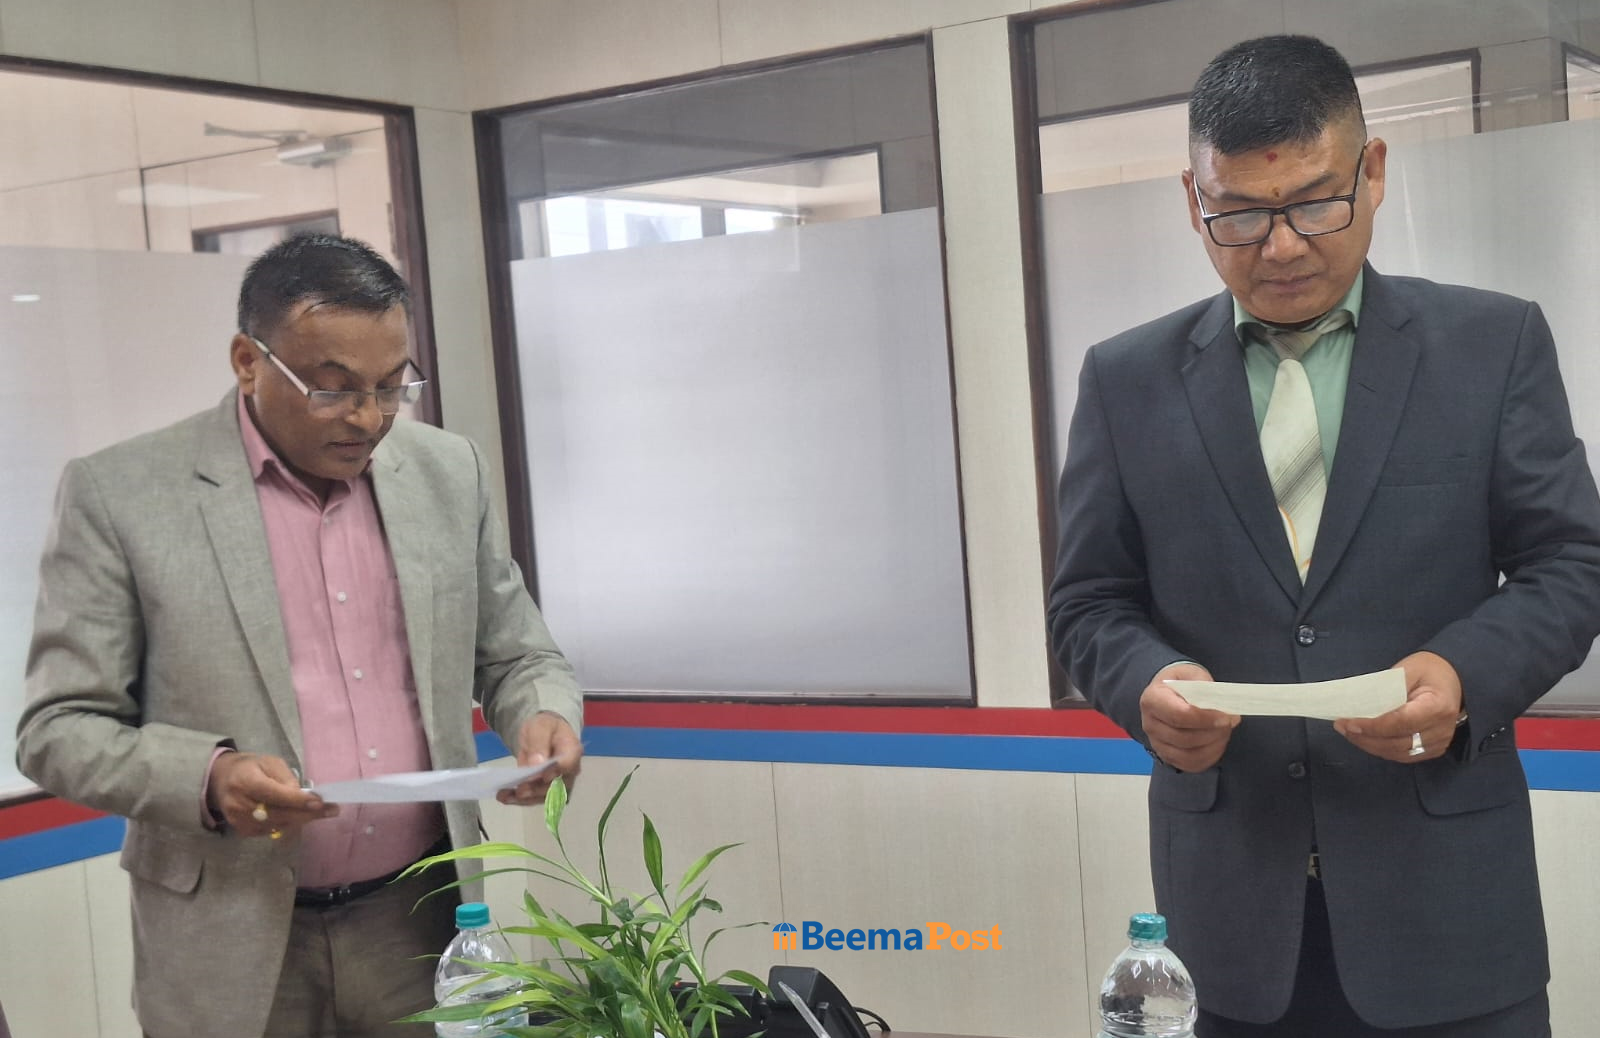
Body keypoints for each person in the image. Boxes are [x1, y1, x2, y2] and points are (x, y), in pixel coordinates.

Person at [1047, 35, 1600, 1038]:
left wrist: (1463, 674)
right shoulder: (1125, 382)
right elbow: (1087, 602)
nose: (1282, 246)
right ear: (1192, 201)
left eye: (1314, 202)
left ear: (1372, 171)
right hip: (1228, 928)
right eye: (1240, 214)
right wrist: (1142, 683)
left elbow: (1571, 564)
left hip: (1452, 918)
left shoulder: (1490, 345)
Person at [16, 234, 585, 1038]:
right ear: (248, 362)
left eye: (392, 386)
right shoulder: (122, 495)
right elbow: (57, 729)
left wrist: (542, 712)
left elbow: (517, 652)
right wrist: (207, 776)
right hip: (231, 934)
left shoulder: (447, 472)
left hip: (418, 923)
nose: (369, 417)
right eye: (333, 388)